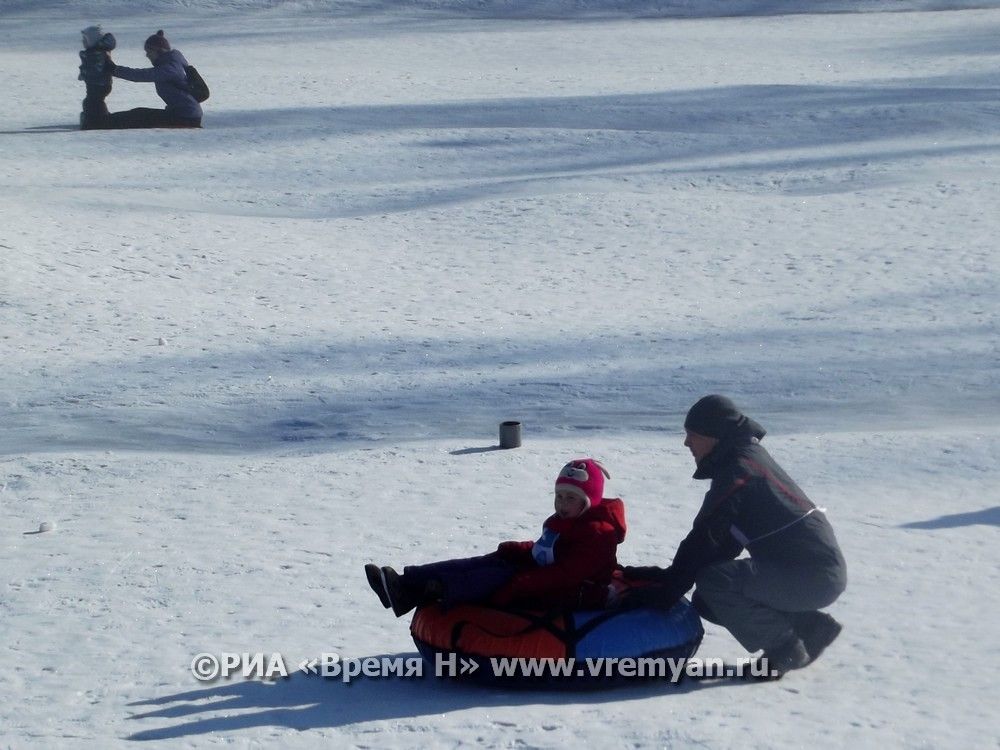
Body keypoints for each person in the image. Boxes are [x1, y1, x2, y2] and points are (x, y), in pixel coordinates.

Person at [622, 395, 847, 675]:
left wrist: (667, 590)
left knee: (716, 584)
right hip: (813, 572)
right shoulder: (745, 460)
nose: (686, 443)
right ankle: (809, 627)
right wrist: (666, 578)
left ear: (713, 434)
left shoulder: (739, 471)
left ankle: (785, 648)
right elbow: (719, 545)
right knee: (708, 598)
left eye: (691, 435)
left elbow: (705, 538)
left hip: (812, 575)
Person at [365, 458, 626, 617]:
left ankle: (436, 590)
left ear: (589, 501)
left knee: (497, 577)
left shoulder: (598, 534)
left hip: (576, 593)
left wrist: (520, 583)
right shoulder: (564, 521)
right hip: (544, 576)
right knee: (483, 561)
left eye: (571, 498)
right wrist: (519, 549)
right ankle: (404, 584)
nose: (562, 503)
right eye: (559, 496)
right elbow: (546, 551)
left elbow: (566, 573)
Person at [105, 30, 202, 129]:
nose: (147, 55)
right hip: (183, 114)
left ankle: (105, 123)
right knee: (139, 113)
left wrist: (115, 69)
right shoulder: (172, 63)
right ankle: (107, 121)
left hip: (185, 117)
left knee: (138, 116)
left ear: (159, 51)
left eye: (149, 51)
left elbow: (142, 75)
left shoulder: (170, 68)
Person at [78, 25, 116, 130]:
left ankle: (98, 119)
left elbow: (95, 69)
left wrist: (85, 72)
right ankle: (97, 116)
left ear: (92, 40)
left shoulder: (97, 53)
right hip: (96, 83)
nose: (83, 42)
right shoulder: (94, 52)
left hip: (99, 84)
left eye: (85, 39)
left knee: (93, 101)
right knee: (92, 101)